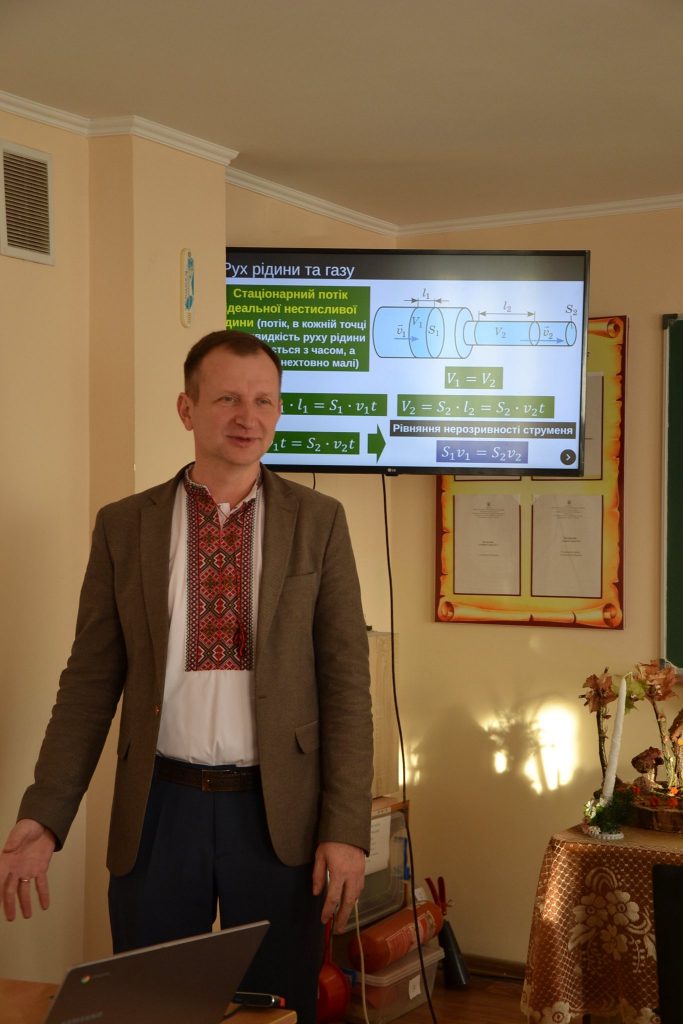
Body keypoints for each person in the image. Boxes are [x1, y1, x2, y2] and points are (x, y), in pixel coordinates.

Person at [0, 329, 374, 1024]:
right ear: (187, 408)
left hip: (279, 816)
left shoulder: (319, 522)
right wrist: (45, 814)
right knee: (151, 1007)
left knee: (275, 1009)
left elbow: (347, 685)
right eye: (227, 398)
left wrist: (346, 827)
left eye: (264, 401)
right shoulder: (124, 526)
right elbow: (88, 683)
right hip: (158, 812)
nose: (248, 417)